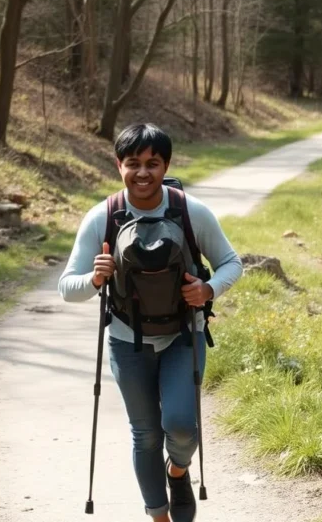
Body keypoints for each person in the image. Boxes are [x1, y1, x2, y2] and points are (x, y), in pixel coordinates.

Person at [59, 123, 243, 522]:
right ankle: (159, 517)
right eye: (133, 163)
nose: (143, 173)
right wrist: (94, 279)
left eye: (152, 163)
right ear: (118, 165)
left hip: (183, 335)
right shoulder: (102, 217)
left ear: (166, 165)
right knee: (145, 436)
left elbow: (232, 263)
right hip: (127, 341)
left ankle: (177, 471)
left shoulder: (189, 211)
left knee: (182, 428)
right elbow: (67, 288)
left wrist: (207, 290)